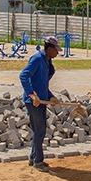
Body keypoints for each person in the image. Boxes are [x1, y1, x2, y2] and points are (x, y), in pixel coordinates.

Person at [20, 36, 59, 172]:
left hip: (42, 100)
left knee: (38, 131)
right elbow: (23, 75)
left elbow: (42, 84)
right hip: (34, 102)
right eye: (56, 50)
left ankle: (33, 158)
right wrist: (32, 94)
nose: (58, 53)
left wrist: (51, 97)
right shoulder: (37, 59)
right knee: (40, 130)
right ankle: (38, 161)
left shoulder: (48, 63)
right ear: (49, 48)